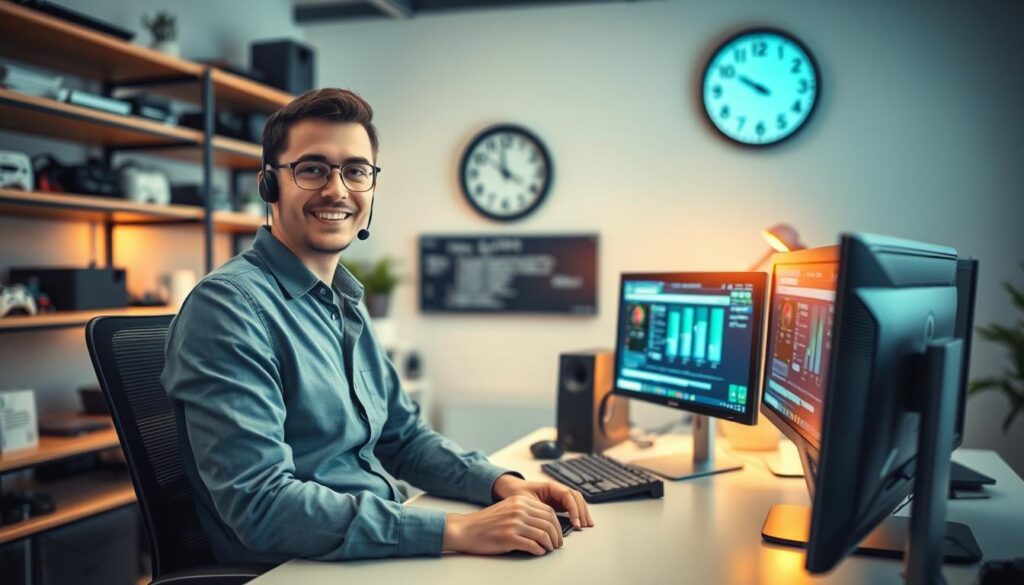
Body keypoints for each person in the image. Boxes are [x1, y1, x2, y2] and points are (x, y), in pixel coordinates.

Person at [161, 88, 593, 564]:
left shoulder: (345, 300)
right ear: (270, 185)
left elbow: (402, 436)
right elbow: (261, 505)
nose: (337, 189)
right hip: (293, 568)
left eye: (355, 171)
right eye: (312, 169)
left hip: (372, 548)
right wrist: (457, 530)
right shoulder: (229, 307)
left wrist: (504, 485)